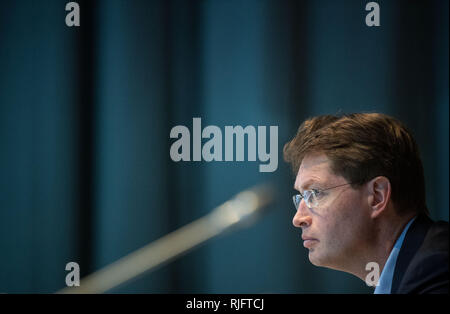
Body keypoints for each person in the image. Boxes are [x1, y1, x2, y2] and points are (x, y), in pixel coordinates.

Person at [283, 112, 448, 294]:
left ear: (377, 196)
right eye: (302, 195)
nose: (298, 219)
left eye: (315, 193)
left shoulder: (437, 275)